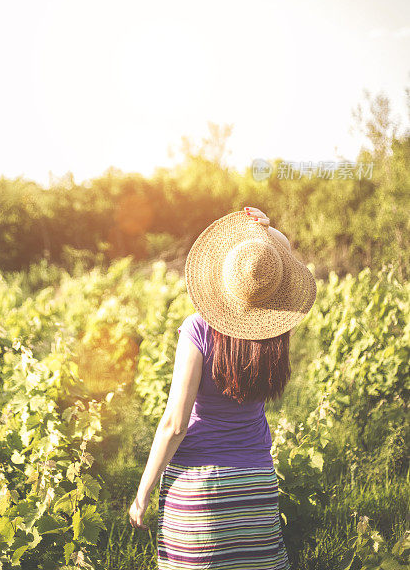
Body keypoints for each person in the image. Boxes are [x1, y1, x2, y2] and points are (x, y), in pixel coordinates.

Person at [128, 206, 317, 569]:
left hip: (199, 490)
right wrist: (269, 230)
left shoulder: (197, 329)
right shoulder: (276, 332)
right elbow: (279, 257)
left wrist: (143, 493)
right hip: (257, 487)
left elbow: (175, 425)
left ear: (220, 275)